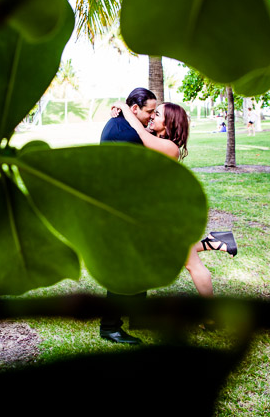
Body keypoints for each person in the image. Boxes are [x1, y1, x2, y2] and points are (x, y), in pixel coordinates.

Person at [113, 101, 237, 299]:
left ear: (168, 122)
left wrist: (124, 107)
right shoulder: (157, 139)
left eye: (158, 114)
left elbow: (141, 134)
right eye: (153, 113)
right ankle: (214, 241)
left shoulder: (170, 147)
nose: (152, 116)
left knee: (191, 264)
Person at [97, 88, 158, 345]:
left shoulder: (124, 123)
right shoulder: (127, 134)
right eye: (149, 112)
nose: (153, 117)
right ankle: (109, 327)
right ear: (135, 109)